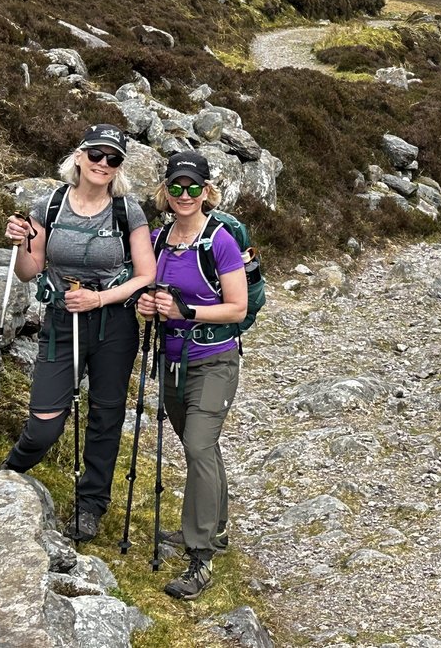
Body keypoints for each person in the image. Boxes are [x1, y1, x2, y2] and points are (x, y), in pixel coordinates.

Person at [2, 123, 158, 542]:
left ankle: (90, 507)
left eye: (113, 159)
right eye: (96, 155)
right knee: (44, 425)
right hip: (60, 323)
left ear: (119, 166)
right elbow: (28, 271)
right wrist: (19, 243)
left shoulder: (128, 211)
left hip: (114, 325)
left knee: (106, 418)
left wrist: (99, 300)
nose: (103, 164)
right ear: (79, 157)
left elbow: (146, 275)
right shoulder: (49, 204)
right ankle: (7, 476)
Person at [138, 149, 247, 600]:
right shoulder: (161, 239)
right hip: (173, 361)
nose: (185, 195)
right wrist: (149, 306)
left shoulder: (220, 240)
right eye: (176, 187)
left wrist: (188, 310)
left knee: (199, 445)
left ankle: (199, 556)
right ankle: (214, 528)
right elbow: (151, 290)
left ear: (207, 192)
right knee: (200, 446)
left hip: (215, 360)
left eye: (194, 187)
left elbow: (237, 307)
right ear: (166, 191)